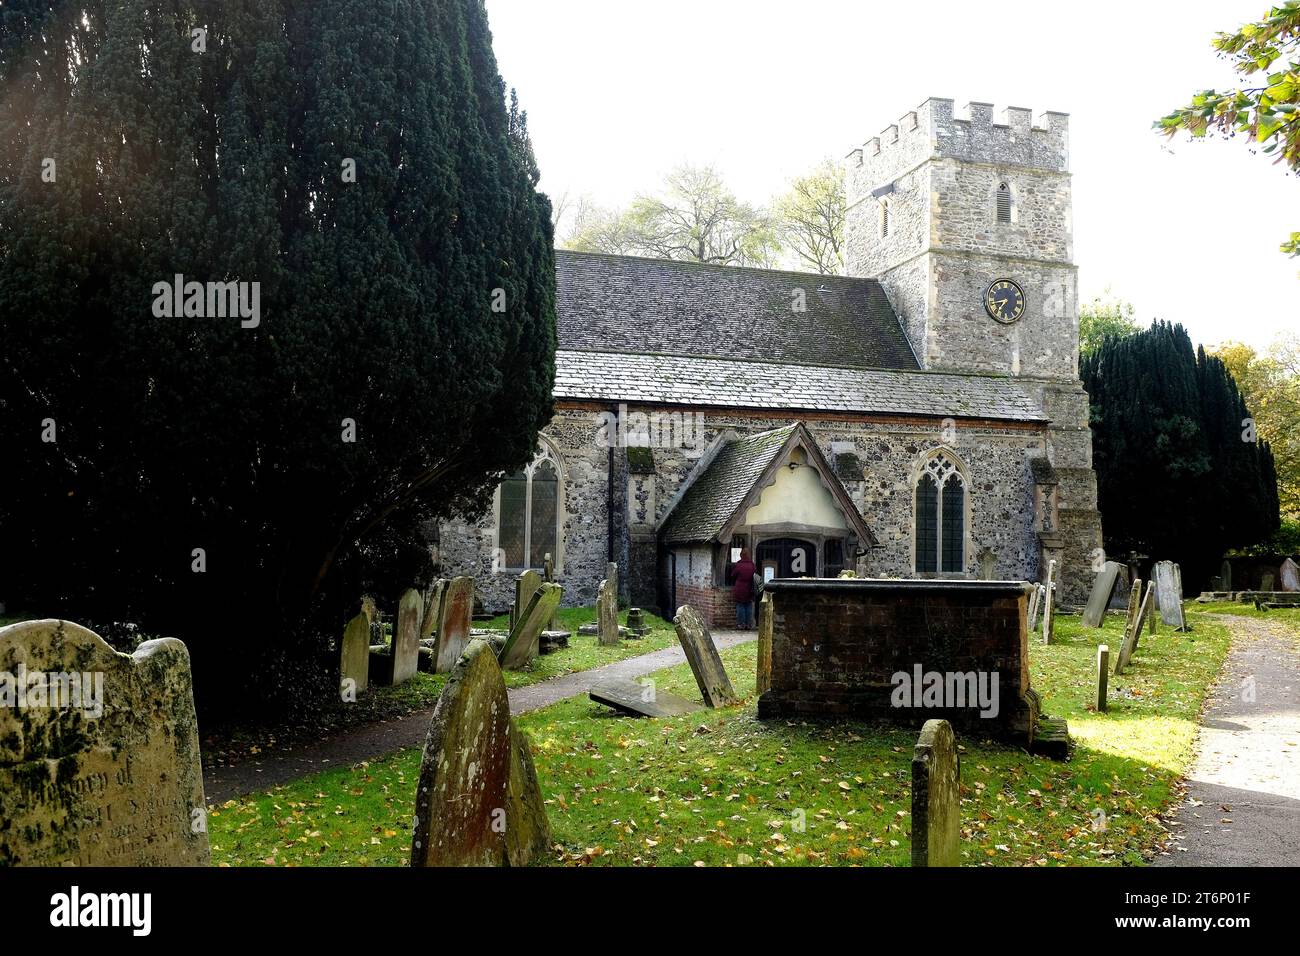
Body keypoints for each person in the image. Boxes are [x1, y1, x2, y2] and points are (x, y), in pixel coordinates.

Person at [730, 548, 758, 630]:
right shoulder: (752, 565)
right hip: (750, 588)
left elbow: (733, 575)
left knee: (740, 605)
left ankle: (741, 624)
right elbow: (755, 575)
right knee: (748, 605)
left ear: (741, 555)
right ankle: (748, 624)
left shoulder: (739, 565)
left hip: (740, 588)